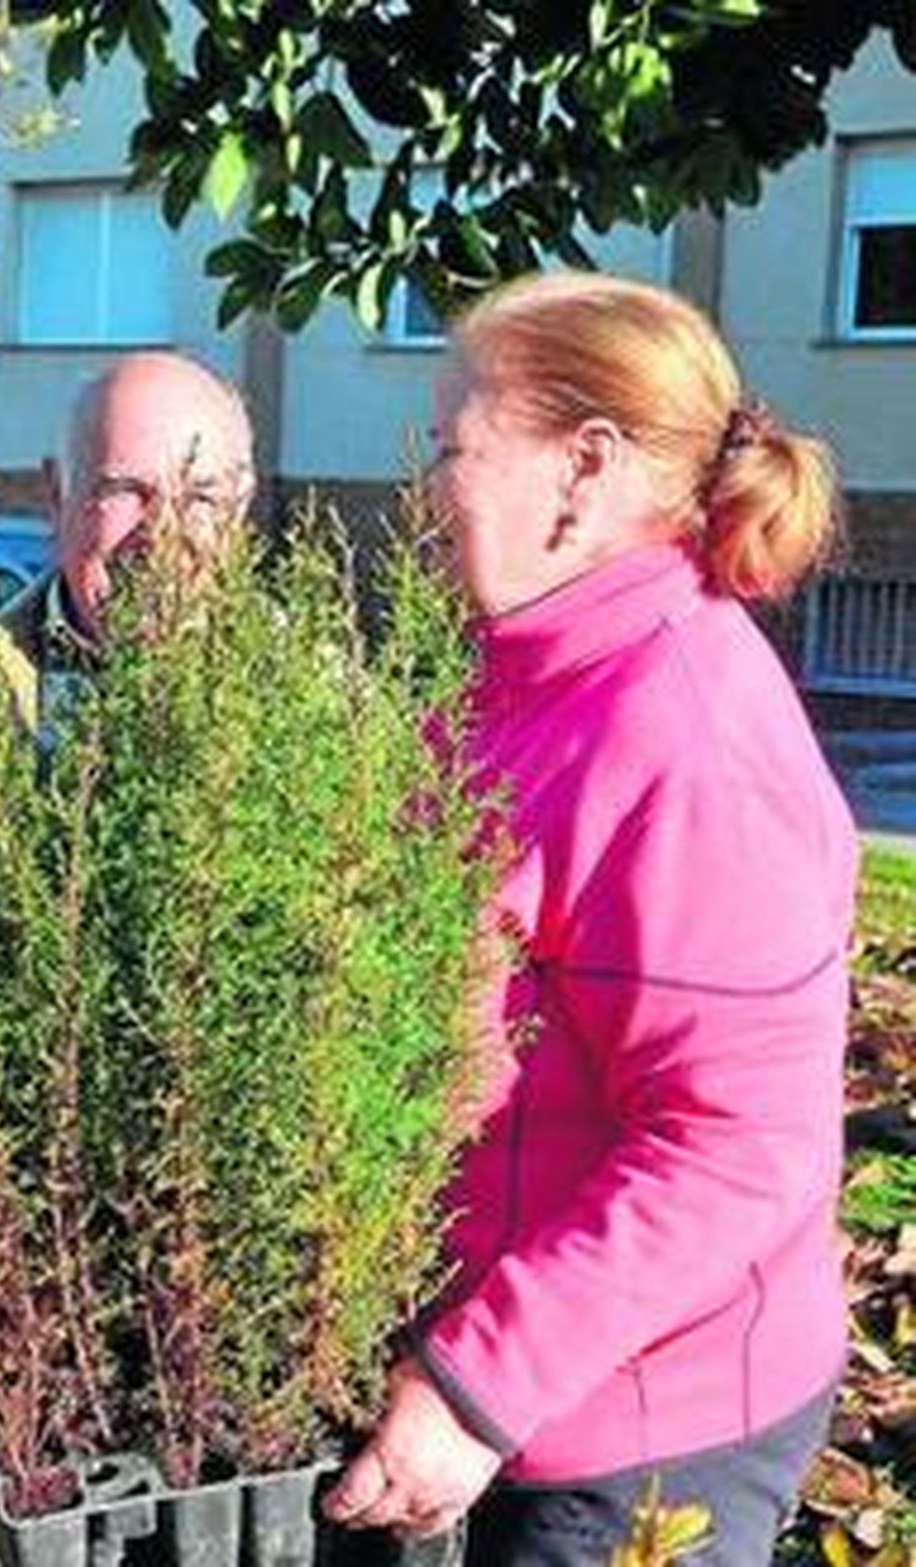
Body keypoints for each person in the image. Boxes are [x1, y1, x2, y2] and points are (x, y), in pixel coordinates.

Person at [323, 272, 856, 1563]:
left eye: (454, 446)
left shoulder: (686, 732)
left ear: (585, 467)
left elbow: (733, 1146)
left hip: (635, 1437)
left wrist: (475, 1382)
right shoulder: (529, 672)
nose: (425, 486)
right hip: (501, 1391)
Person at [0, 350, 256, 732]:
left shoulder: (312, 685)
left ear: (240, 509)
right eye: (125, 490)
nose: (161, 533)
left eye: (199, 498)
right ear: (57, 494)